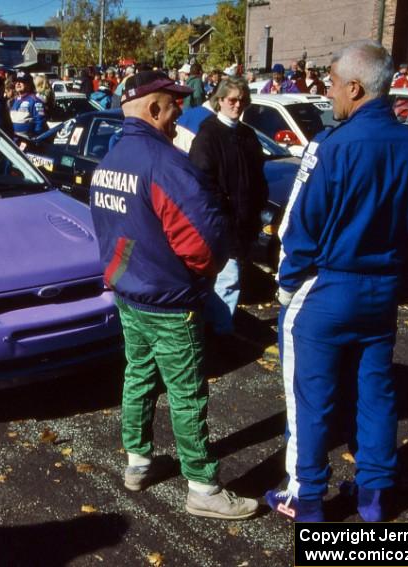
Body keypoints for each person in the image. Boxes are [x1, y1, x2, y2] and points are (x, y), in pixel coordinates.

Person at [265, 41, 408, 522]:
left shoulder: (332, 146)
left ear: (356, 87)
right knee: (376, 393)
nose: (331, 92)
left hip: (327, 287)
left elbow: (302, 224)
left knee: (311, 397)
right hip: (382, 290)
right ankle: (374, 496)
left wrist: (287, 281)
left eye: (335, 83)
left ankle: (308, 500)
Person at [90, 70, 258, 520]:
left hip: (130, 294)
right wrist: (201, 278)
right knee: (186, 394)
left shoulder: (110, 161)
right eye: (172, 105)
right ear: (152, 109)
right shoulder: (164, 164)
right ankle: (202, 486)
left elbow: (111, 232)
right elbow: (204, 240)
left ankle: (137, 462)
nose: (179, 113)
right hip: (169, 300)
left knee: (138, 377)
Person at [189, 77, 268, 335]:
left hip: (244, 222)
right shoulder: (208, 135)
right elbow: (201, 182)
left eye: (242, 100)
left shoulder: (247, 134)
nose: (237, 105)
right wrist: (220, 217)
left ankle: (216, 327)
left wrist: (257, 211)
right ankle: (221, 333)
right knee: (228, 280)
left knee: (227, 280)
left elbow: (258, 177)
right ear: (220, 100)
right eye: (232, 100)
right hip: (221, 224)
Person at [10, 72, 47, 138]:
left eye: (22, 81)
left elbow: (40, 123)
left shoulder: (35, 101)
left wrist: (34, 139)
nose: (18, 84)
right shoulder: (14, 101)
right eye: (16, 81)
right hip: (14, 141)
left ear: (29, 84)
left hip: (28, 142)